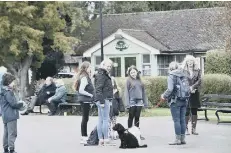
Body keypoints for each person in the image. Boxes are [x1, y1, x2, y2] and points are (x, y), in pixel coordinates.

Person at [161, 61, 190, 145]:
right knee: (182, 120)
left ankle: (177, 139)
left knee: (176, 120)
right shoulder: (184, 75)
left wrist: (164, 95)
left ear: (170, 68)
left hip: (175, 100)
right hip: (184, 100)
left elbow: (170, 89)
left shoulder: (171, 76)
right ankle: (182, 138)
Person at [0, 73, 24, 153]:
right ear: (8, 82)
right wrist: (21, 104)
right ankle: (12, 149)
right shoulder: (8, 92)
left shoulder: (3, 91)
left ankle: (5, 149)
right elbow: (13, 104)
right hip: (11, 115)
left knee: (6, 133)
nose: (14, 83)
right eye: (13, 81)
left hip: (5, 115)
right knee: (12, 133)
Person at [94, 58, 114, 146]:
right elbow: (98, 89)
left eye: (110, 66)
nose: (109, 67)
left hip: (101, 99)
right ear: (103, 65)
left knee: (100, 120)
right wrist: (102, 101)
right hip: (103, 99)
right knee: (105, 119)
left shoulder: (100, 74)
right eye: (107, 66)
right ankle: (105, 139)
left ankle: (100, 139)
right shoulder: (102, 75)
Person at [124, 65, 148, 140]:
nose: (133, 74)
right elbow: (126, 92)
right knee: (131, 117)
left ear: (137, 72)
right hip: (132, 101)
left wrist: (145, 103)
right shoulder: (128, 80)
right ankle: (129, 134)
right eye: (131, 73)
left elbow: (144, 92)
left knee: (137, 117)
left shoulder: (140, 80)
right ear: (129, 73)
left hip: (139, 101)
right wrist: (127, 104)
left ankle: (137, 134)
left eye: (134, 72)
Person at [74, 61, 94, 144]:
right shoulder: (84, 77)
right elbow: (81, 90)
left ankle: (84, 135)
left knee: (85, 118)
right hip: (85, 100)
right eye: (90, 67)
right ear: (86, 68)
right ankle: (84, 136)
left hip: (85, 100)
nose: (91, 69)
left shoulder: (85, 76)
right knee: (85, 118)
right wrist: (90, 95)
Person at [182, 55, 201, 135]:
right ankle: (185, 129)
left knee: (194, 110)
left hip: (195, 92)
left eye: (191, 61)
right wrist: (188, 88)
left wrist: (193, 87)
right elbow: (182, 80)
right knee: (186, 111)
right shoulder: (183, 71)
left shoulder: (197, 70)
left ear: (194, 62)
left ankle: (193, 129)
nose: (190, 63)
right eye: (188, 61)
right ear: (186, 62)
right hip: (186, 92)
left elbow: (200, 80)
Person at [108, 76, 121, 140]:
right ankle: (109, 134)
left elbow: (119, 100)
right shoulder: (107, 90)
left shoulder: (116, 90)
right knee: (108, 121)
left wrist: (119, 108)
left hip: (115, 108)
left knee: (114, 121)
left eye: (112, 81)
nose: (111, 83)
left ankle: (114, 134)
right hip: (109, 107)